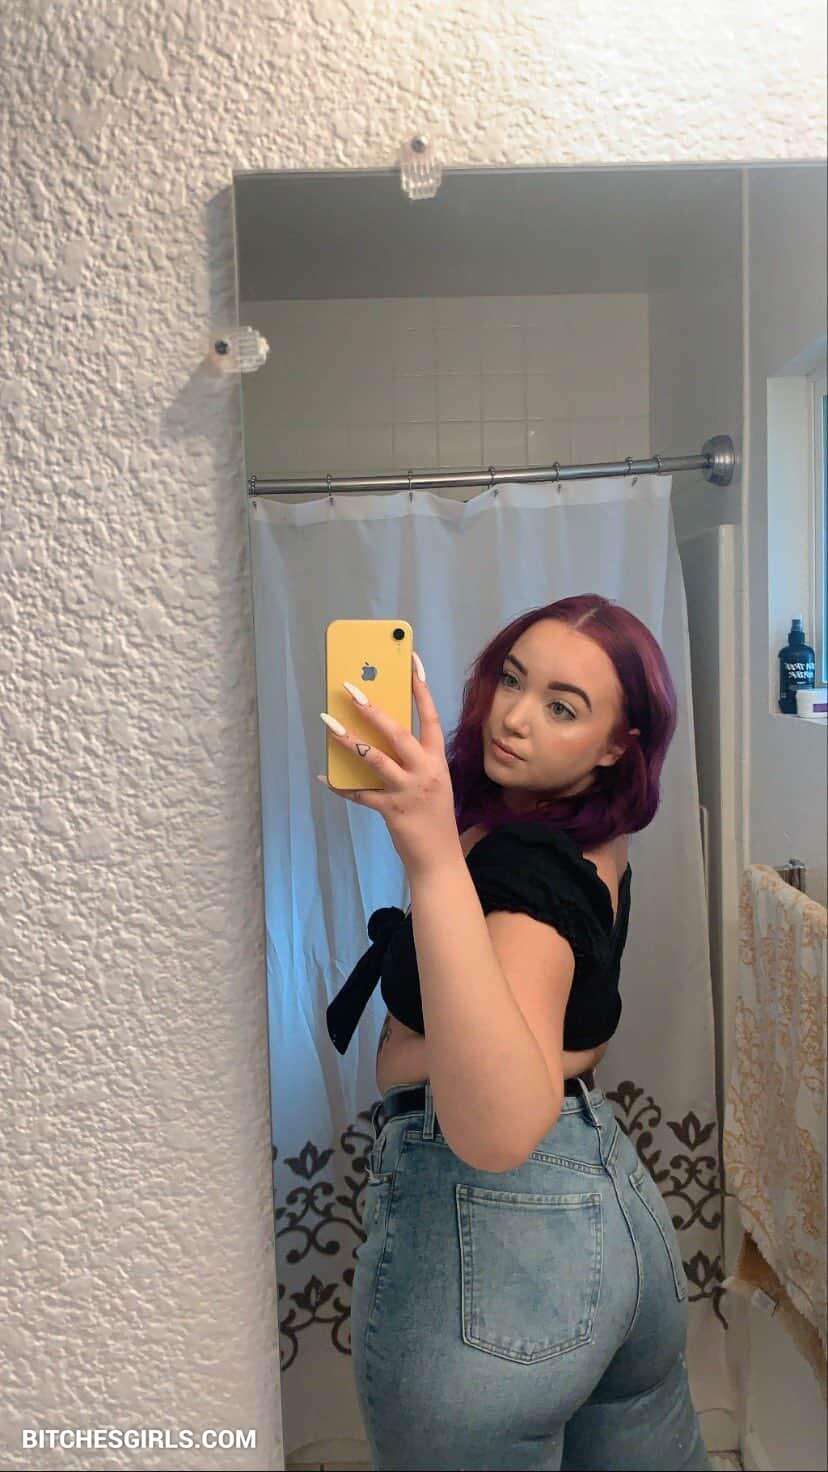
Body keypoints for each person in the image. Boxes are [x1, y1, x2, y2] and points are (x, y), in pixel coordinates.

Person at [322, 593, 713, 1471]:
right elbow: (582, 1026)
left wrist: (431, 857)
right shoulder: (580, 836)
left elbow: (500, 1127)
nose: (514, 718)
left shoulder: (525, 869)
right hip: (610, 1212)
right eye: (512, 679)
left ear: (616, 746)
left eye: (562, 708)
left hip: (501, 1246)